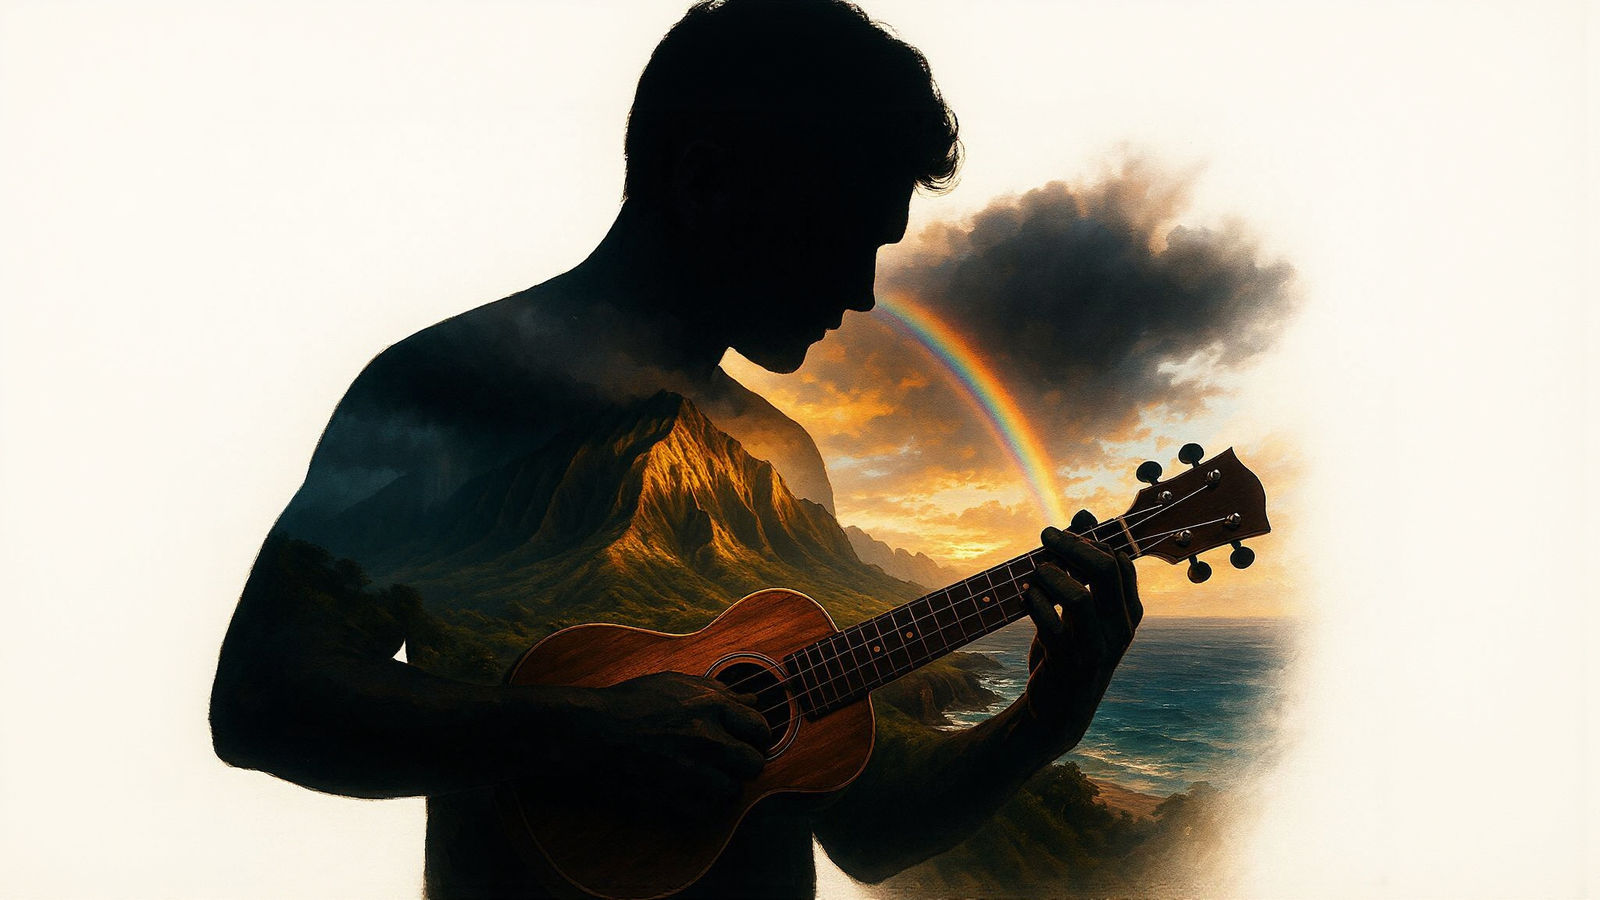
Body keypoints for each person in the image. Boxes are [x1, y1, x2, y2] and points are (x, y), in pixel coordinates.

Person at [209, 1, 1143, 896]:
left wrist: (1042, 723)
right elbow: (263, 701)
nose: (861, 292)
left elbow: (866, 830)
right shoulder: (451, 391)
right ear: (707, 181)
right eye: (845, 235)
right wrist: (577, 731)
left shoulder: (785, 457)